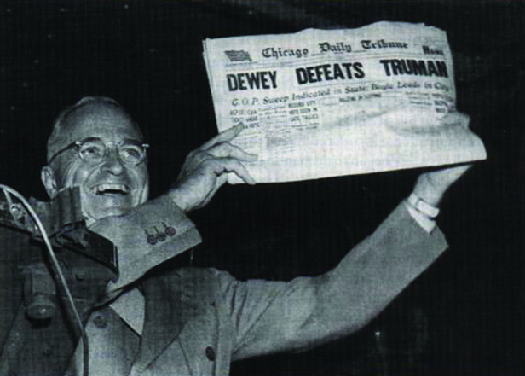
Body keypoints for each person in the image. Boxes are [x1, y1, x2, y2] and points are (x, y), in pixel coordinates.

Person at [2, 96, 470, 375]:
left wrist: (426, 195)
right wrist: (179, 201)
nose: (115, 166)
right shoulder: (16, 261)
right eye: (89, 149)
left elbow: (323, 305)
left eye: (131, 151)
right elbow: (80, 274)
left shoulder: (203, 297)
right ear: (48, 180)